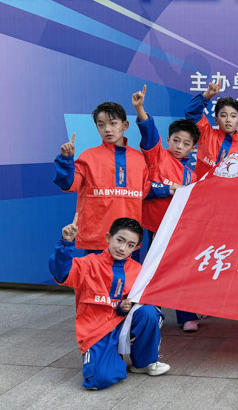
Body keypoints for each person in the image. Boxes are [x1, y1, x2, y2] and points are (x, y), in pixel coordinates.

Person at [49, 216, 170, 390]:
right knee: (99, 380)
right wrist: (66, 243)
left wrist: (126, 306)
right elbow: (61, 273)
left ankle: (144, 362)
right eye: (120, 240)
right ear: (108, 237)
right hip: (96, 330)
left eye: (130, 245)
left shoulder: (138, 271)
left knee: (150, 311)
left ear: (136, 248)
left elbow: (144, 301)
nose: (122, 248)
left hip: (123, 325)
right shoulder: (88, 264)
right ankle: (111, 357)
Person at [131, 85, 203, 332]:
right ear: (168, 140)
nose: (180, 146)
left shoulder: (192, 175)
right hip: (153, 228)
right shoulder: (157, 156)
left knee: (181, 270)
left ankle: (187, 315)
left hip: (177, 231)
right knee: (152, 270)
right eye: (176, 140)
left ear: (193, 148)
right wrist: (140, 109)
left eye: (186, 143)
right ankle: (153, 313)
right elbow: (149, 132)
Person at [54, 102, 149, 254]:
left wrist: (171, 189)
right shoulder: (88, 157)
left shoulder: (140, 159)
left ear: (125, 125)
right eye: (101, 125)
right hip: (96, 240)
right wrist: (66, 160)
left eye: (113, 123)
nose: (107, 129)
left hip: (130, 241)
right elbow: (68, 184)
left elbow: (148, 192)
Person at [186, 78, 238, 178]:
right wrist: (207, 95)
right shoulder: (206, 134)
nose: (228, 120)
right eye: (223, 115)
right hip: (201, 187)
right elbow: (191, 112)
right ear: (216, 120)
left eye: (233, 116)